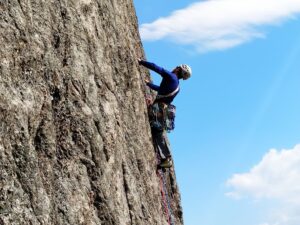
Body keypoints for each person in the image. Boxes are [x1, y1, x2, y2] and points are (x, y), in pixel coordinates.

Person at [138, 58, 192, 168]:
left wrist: (141, 62)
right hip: (164, 111)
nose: (174, 67)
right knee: (158, 133)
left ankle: (166, 158)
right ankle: (165, 158)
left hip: (158, 109)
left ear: (178, 69)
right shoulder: (176, 85)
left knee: (158, 133)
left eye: (177, 67)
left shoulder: (171, 76)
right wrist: (149, 85)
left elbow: (157, 68)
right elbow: (161, 89)